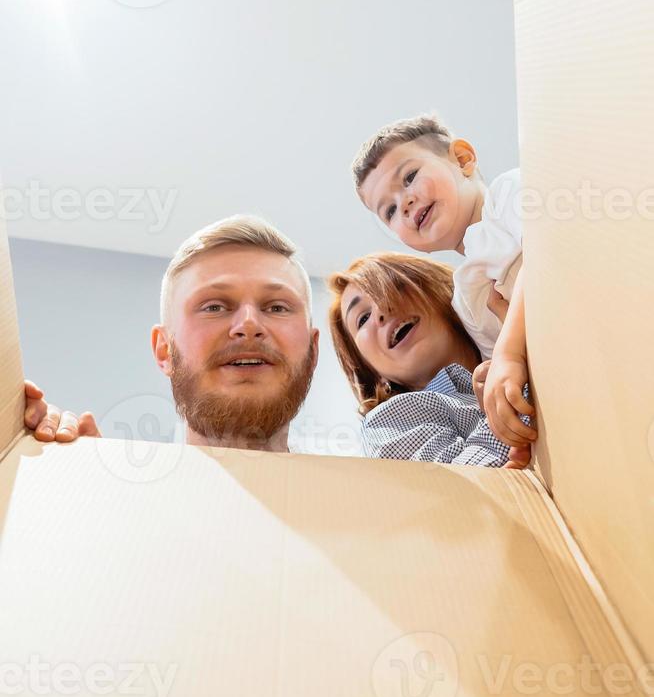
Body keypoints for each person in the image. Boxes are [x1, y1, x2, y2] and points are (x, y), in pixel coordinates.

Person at [24, 215, 318, 452]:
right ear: (164, 349)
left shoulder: (360, 507)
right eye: (214, 306)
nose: (248, 324)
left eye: (277, 308)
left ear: (313, 350)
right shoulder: (107, 498)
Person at [351, 113, 536, 453]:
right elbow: (513, 373)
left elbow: (547, 256)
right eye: (389, 211)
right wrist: (492, 382)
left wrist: (508, 355)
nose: (403, 204)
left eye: (409, 177)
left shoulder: (509, 193)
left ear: (463, 160)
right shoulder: (466, 297)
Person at [327, 251, 529, 468]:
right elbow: (462, 488)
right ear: (373, 372)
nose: (380, 311)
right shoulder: (388, 423)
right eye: (363, 318)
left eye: (392, 288)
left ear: (435, 292)